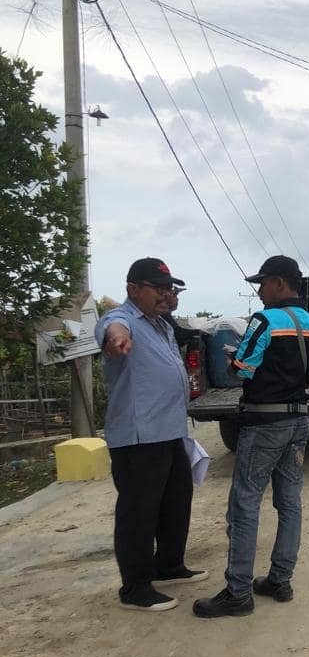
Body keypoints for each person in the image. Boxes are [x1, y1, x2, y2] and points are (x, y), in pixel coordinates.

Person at [193, 255, 309, 618]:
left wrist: (232, 360)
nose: (259, 290)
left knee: (245, 503)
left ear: (281, 283)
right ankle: (280, 579)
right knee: (289, 503)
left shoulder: (264, 321)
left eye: (263, 282)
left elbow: (241, 370)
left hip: (264, 424)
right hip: (299, 425)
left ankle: (238, 591)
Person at [95, 258, 206, 612]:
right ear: (133, 289)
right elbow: (113, 326)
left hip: (169, 430)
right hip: (139, 435)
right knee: (139, 511)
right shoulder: (123, 319)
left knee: (176, 500)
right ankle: (135, 587)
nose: (165, 294)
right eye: (157, 288)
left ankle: (169, 565)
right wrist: (117, 337)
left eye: (168, 288)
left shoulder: (161, 325)